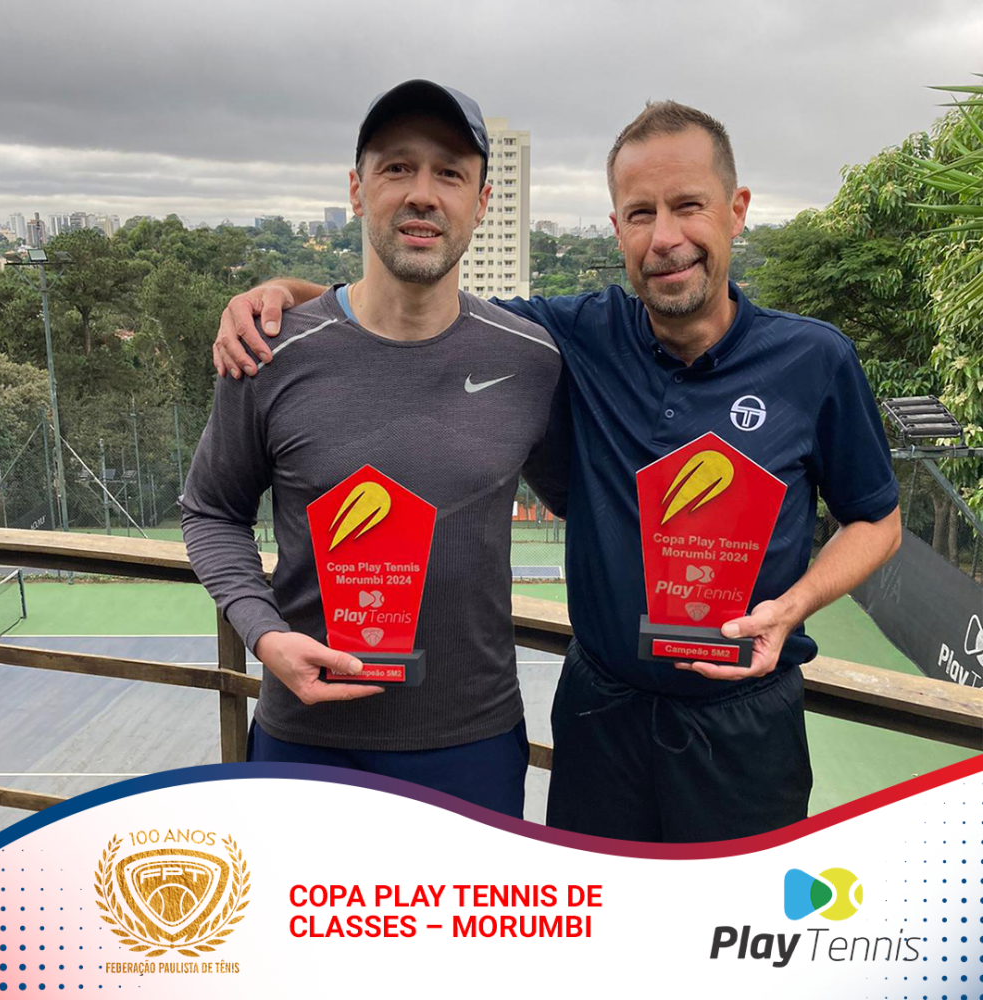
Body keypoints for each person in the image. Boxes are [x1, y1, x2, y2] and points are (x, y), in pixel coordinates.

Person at [211, 99, 901, 843]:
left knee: (729, 918)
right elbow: (420, 303)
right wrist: (287, 294)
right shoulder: (574, 335)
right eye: (640, 214)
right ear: (616, 229)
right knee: (590, 913)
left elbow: (877, 520)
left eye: (688, 206)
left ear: (736, 212)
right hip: (600, 716)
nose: (666, 238)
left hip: (745, 724)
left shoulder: (814, 359)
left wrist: (793, 606)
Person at [181, 79, 567, 819]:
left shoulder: (530, 359)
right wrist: (264, 635)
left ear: (482, 202)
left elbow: (590, 498)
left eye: (449, 172)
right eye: (397, 168)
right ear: (357, 191)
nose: (423, 193)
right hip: (306, 738)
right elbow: (210, 511)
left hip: (473, 742)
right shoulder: (268, 351)